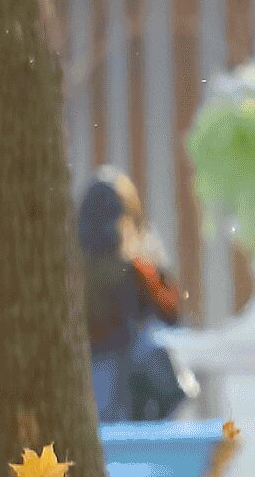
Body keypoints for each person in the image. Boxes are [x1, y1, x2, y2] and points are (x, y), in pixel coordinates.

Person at [77, 167, 187, 424]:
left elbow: (169, 315)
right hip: (113, 388)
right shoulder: (137, 266)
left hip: (106, 387)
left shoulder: (135, 268)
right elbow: (171, 314)